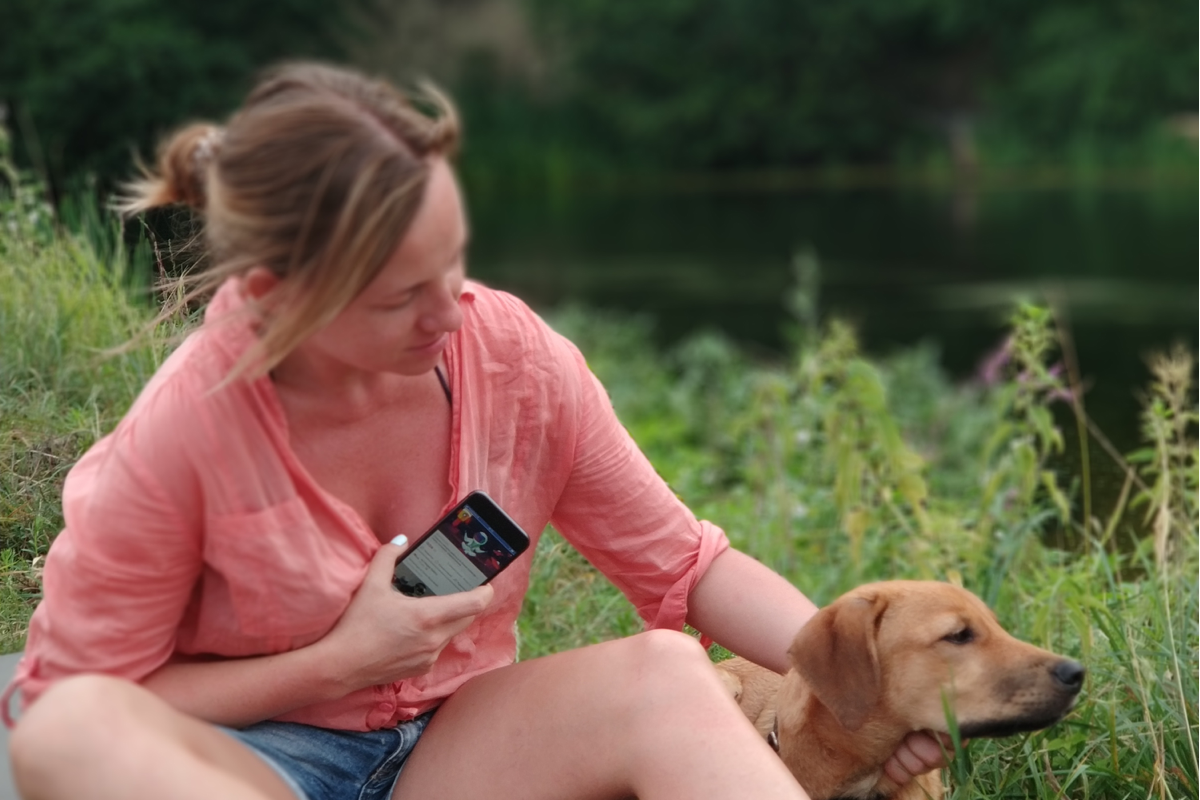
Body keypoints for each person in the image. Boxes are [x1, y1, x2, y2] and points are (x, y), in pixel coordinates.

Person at [3, 63, 948, 800]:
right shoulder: (181, 436)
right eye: (400, 298)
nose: (450, 314)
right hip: (248, 764)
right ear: (275, 295)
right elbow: (72, 702)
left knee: (665, 673)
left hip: (455, 749)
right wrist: (337, 663)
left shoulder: (516, 361)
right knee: (68, 736)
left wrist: (858, 686)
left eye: (453, 267)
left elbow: (686, 570)